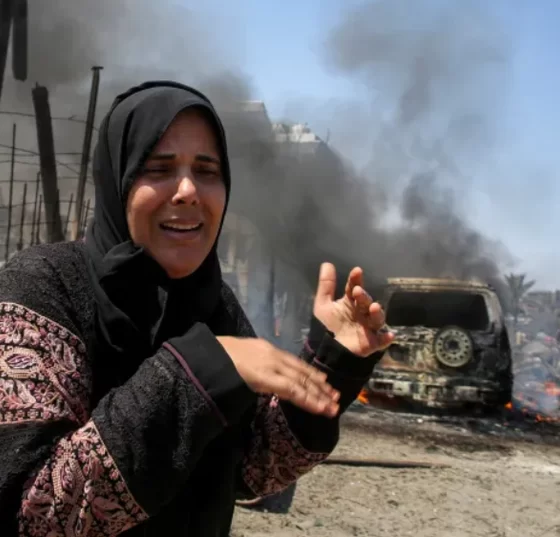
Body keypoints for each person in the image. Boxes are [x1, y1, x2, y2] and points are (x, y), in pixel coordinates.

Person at [0, 81, 393, 537]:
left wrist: (334, 361)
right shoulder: (44, 286)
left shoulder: (215, 303)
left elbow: (252, 469)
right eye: (159, 168)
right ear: (118, 182)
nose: (188, 190)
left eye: (207, 171)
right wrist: (199, 372)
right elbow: (33, 514)